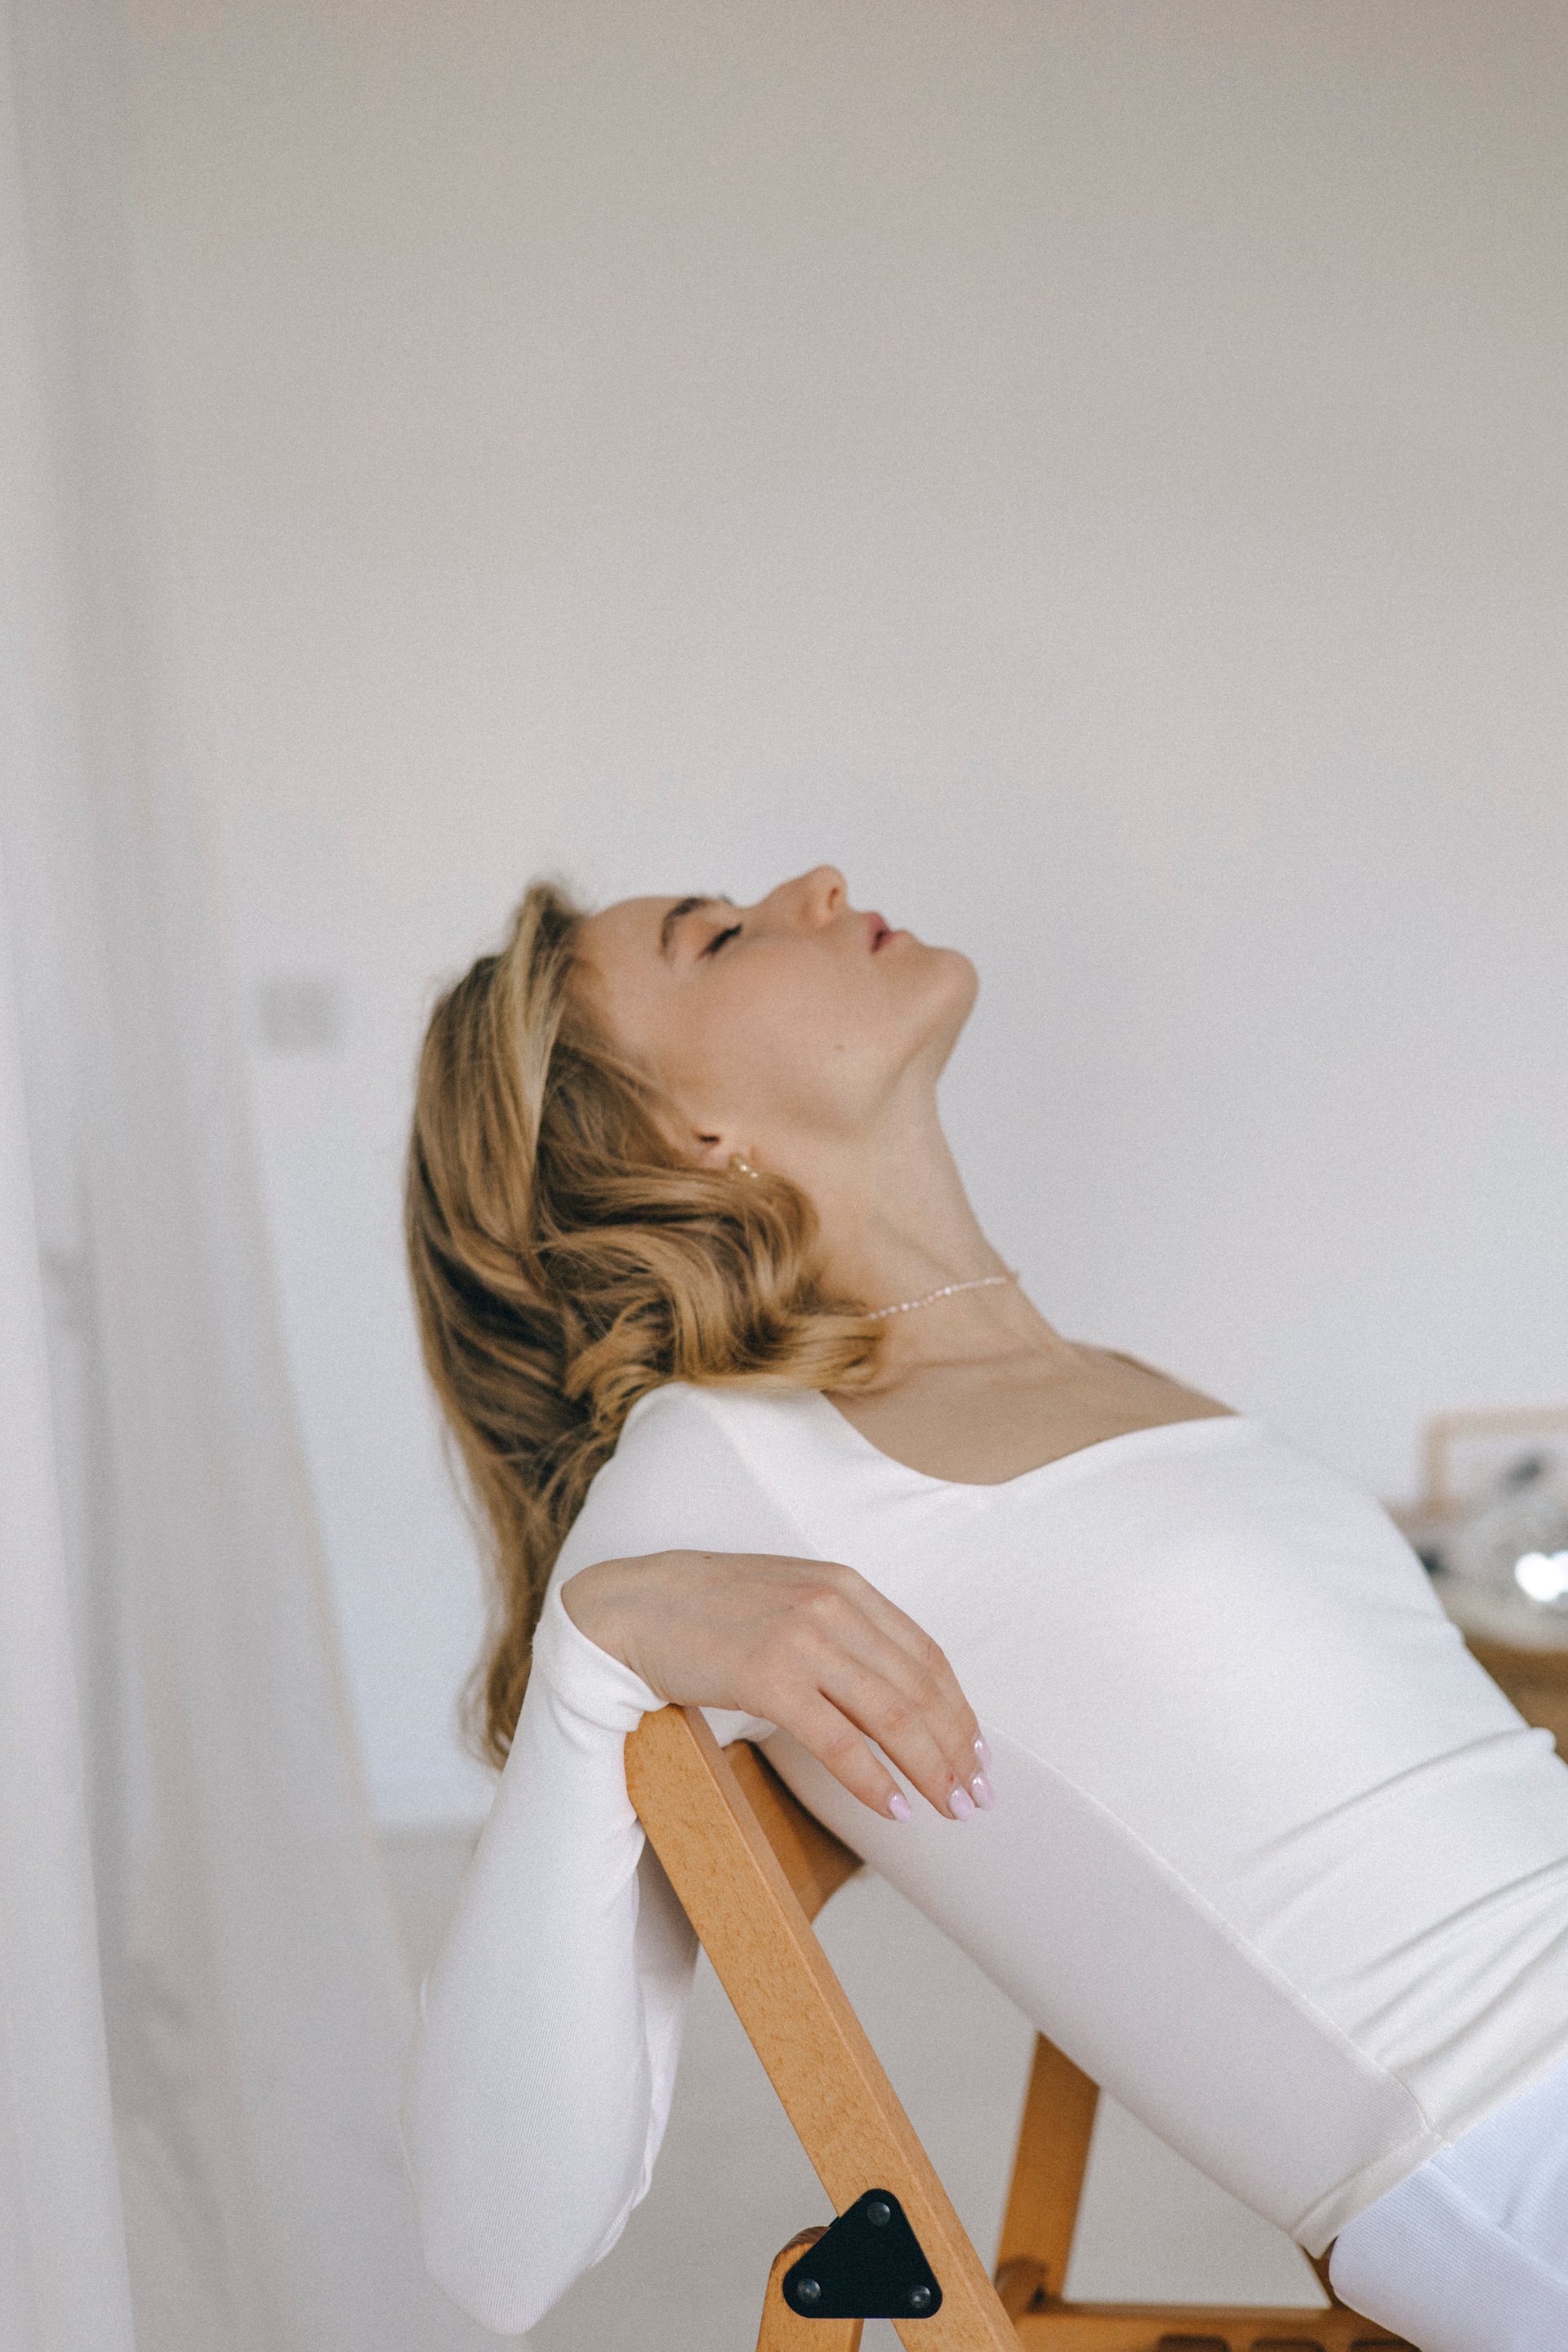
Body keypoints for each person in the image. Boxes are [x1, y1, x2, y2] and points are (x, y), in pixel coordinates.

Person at [399, 866, 1568, 2352]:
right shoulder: (737, 1461)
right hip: (1520, 2149)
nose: (817, 884)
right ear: (680, 1135)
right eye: (722, 935)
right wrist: (592, 1648)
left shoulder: (1106, 1374)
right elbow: (494, 2248)